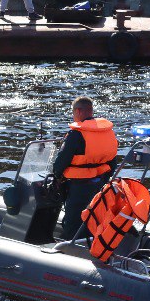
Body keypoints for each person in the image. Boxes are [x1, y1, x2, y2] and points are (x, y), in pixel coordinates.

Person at [51, 96, 118, 240]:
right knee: (94, 215)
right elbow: (113, 160)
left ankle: (71, 247)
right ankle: (93, 241)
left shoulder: (76, 134)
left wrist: (56, 177)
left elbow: (62, 160)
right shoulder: (106, 132)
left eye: (73, 112)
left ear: (78, 111)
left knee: (74, 220)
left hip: (79, 185)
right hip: (100, 183)